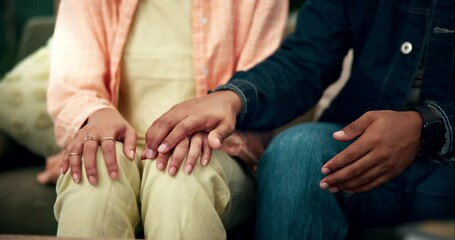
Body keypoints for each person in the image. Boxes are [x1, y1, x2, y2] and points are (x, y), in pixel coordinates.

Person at [146, 0, 455, 239]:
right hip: (356, 148)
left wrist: (427, 124)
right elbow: (308, 57)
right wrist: (233, 97)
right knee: (296, 151)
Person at [47, 0, 288, 239]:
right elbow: (72, 85)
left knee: (183, 171)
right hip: (121, 149)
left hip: (214, 151)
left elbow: (260, 91)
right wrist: (96, 114)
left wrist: (209, 129)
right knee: (97, 170)